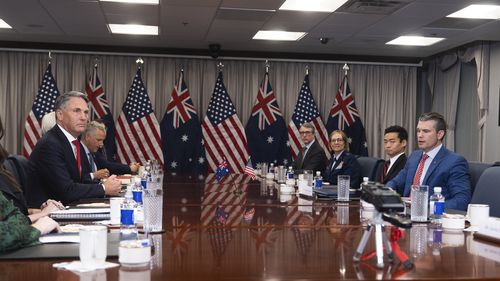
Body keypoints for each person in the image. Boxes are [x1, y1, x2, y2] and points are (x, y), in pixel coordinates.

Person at [25, 91, 121, 208]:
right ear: (60, 115)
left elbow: (81, 180)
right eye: (76, 111)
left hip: (70, 207)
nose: (83, 117)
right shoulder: (50, 144)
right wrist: (104, 188)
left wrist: (105, 184)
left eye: (86, 112)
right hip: (48, 215)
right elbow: (66, 191)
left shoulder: (75, 142)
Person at [387, 112, 471, 211]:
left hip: (432, 219)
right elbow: (396, 182)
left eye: (426, 131)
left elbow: (462, 201)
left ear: (440, 134)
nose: (420, 135)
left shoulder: (454, 162)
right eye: (418, 131)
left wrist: (425, 207)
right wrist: (387, 191)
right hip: (406, 214)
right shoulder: (414, 156)